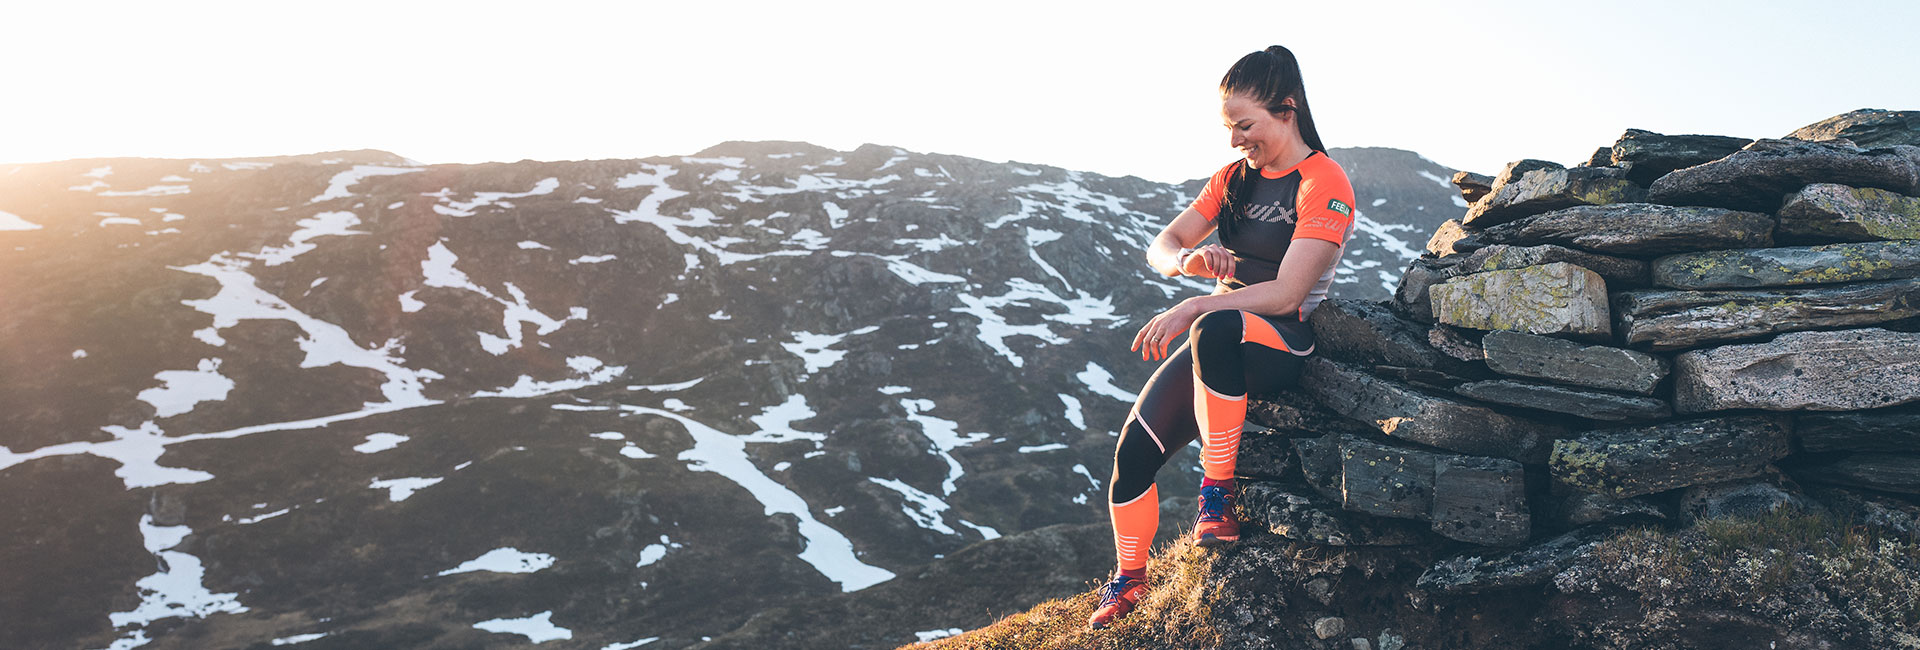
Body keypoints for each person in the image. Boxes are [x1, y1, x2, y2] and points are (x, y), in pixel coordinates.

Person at [1087, 45, 1356, 630]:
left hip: (1282, 340)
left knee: (1212, 325)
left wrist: (1196, 303)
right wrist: (1188, 261)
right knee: (1132, 454)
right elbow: (1160, 246)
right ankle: (1129, 581)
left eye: (1245, 126)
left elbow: (1287, 293)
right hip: (1219, 339)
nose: (1235, 140)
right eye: (1228, 127)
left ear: (1287, 110)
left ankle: (1218, 493)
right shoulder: (1233, 180)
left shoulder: (1324, 180)